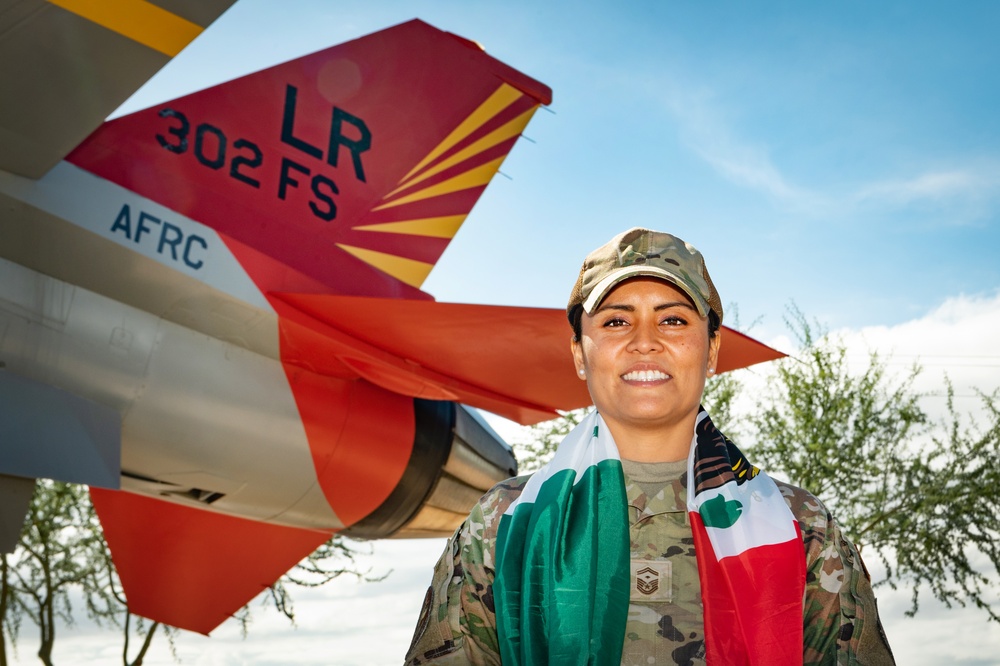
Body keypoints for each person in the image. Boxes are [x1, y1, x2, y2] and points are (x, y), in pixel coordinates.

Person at [405, 228, 895, 665]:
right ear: (579, 351)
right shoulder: (502, 526)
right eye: (617, 322)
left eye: (674, 321)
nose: (645, 342)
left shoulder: (800, 528)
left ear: (712, 351)